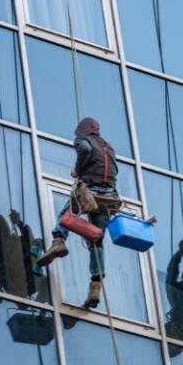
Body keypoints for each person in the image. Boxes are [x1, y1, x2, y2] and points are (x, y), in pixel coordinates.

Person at [38, 118, 120, 309]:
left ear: (82, 130)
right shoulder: (109, 147)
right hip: (109, 196)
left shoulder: (83, 140)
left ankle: (58, 242)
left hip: (90, 190)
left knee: (66, 214)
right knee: (97, 239)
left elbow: (84, 150)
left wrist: (77, 169)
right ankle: (95, 287)